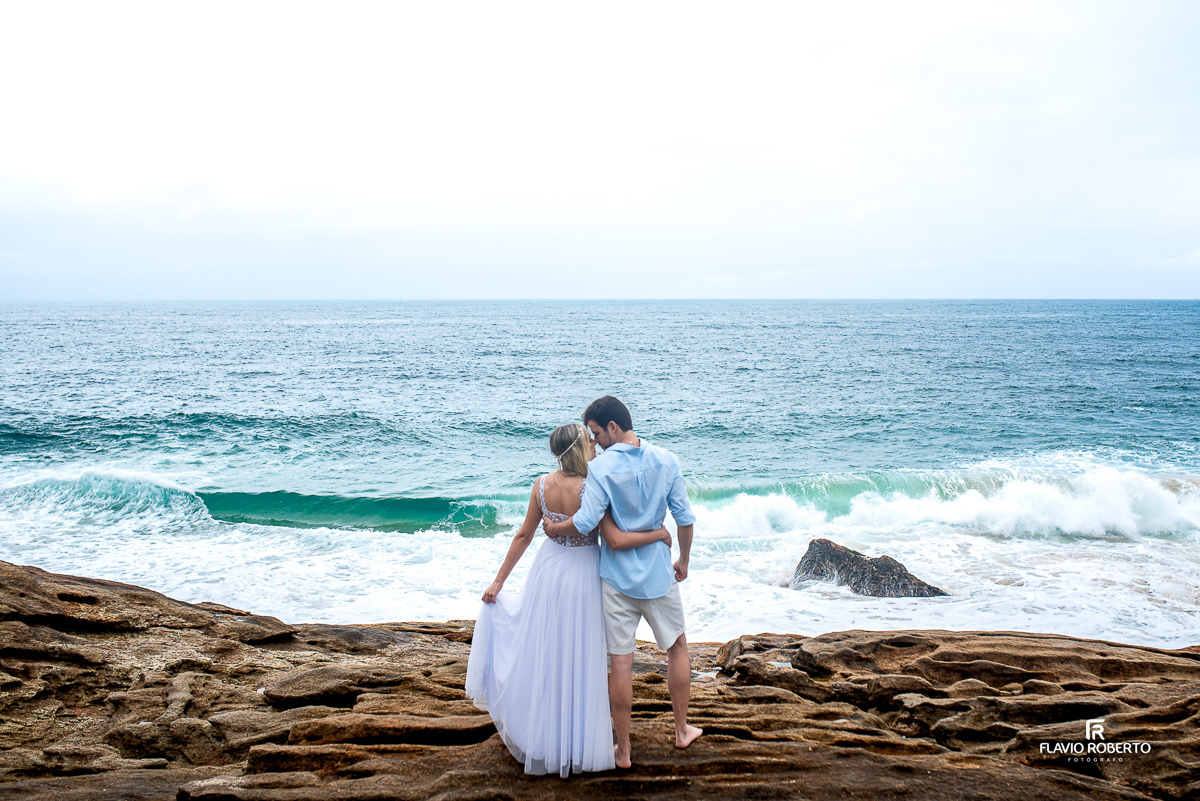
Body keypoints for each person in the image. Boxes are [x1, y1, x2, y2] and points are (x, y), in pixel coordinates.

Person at [464, 423, 672, 778]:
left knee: (549, 653)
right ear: (578, 448)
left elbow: (523, 536)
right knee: (582, 657)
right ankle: (579, 742)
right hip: (584, 575)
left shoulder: (541, 485)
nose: (595, 445)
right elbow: (613, 538)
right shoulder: (593, 486)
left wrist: (499, 581)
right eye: (589, 440)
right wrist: (657, 537)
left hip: (548, 571)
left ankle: (547, 737)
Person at [542, 396, 703, 768]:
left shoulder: (600, 469)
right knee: (677, 648)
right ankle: (681, 731)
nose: (594, 442)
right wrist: (684, 560)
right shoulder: (666, 459)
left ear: (612, 427)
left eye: (596, 433)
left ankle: (624, 751)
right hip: (659, 575)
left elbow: (585, 522)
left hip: (616, 580)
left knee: (621, 663)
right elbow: (685, 519)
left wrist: (554, 528)